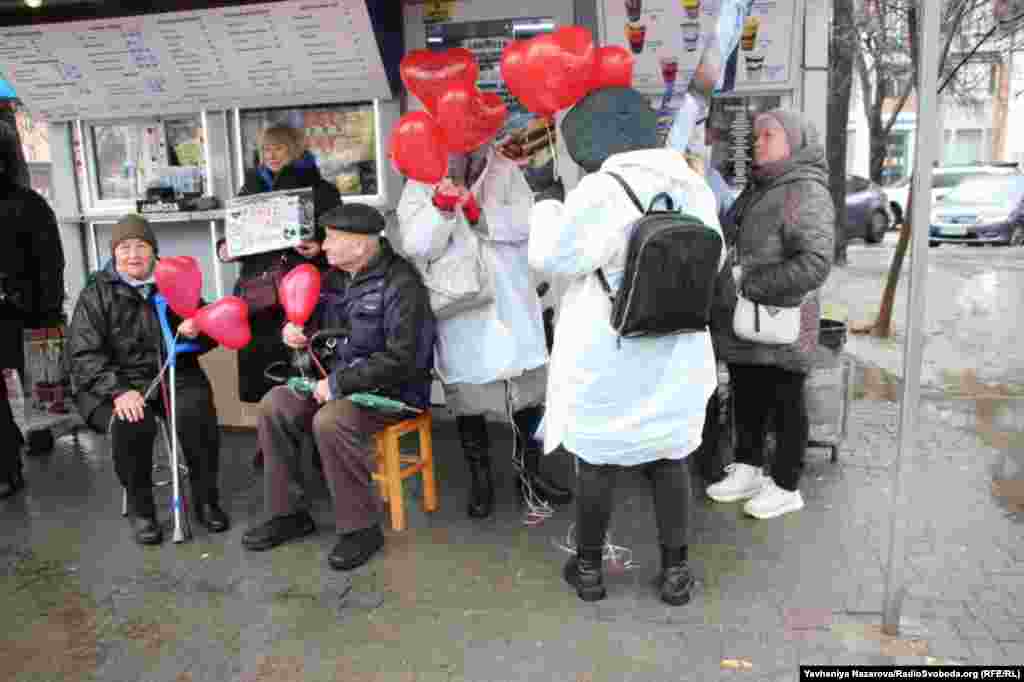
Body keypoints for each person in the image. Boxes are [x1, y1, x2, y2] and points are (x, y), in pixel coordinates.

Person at [529, 86, 723, 605]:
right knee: (671, 457)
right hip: (678, 347)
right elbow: (716, 260)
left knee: (598, 460)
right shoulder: (692, 184)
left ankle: (589, 570)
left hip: (611, 348)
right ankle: (676, 574)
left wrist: (546, 199)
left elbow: (553, 259)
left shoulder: (600, 190)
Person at [242, 203, 436, 571]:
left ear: (361, 245)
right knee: (275, 405)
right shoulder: (332, 280)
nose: (324, 246)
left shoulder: (402, 284)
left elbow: (404, 359)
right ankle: (288, 513)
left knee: (331, 420)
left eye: (332, 239)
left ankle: (361, 528)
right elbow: (317, 330)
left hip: (393, 392)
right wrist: (296, 333)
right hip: (334, 383)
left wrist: (338, 383)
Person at [395, 141, 571, 520]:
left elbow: (529, 221)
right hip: (462, 305)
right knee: (469, 399)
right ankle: (481, 482)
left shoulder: (506, 168)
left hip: (512, 296)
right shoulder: (421, 179)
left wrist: (480, 214)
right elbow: (416, 244)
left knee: (528, 395)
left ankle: (530, 476)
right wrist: (441, 206)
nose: (468, 145)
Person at [65, 215, 228, 544]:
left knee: (196, 414)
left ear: (154, 251)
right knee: (131, 423)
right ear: (114, 254)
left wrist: (199, 326)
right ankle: (142, 510)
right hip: (111, 384)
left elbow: (214, 330)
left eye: (141, 246)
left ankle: (206, 500)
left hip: (173, 373)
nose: (133, 254)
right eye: (124, 247)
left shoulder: (174, 282)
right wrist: (119, 391)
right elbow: (83, 355)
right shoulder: (96, 294)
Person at [705, 109, 834, 520]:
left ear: (793, 142)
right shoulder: (761, 187)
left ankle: (785, 485)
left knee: (786, 402)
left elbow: (814, 262)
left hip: (783, 320)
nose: (758, 142)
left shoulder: (804, 190)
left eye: (768, 135)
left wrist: (749, 283)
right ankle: (747, 469)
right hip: (748, 322)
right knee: (748, 396)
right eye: (756, 135)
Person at [225, 125, 341, 469]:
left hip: (304, 291)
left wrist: (319, 247)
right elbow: (240, 239)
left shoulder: (321, 190)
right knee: (265, 370)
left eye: (278, 147)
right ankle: (270, 440)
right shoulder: (250, 187)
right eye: (265, 148)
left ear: (294, 148)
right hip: (260, 295)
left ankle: (321, 442)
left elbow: (338, 236)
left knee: (309, 367)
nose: (271, 155)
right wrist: (228, 249)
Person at [0, 119, 65, 499]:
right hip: (28, 312)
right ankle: (15, 456)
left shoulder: (27, 205)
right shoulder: (29, 203)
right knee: (23, 387)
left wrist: (49, 314)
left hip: (21, 313)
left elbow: (49, 264)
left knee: (27, 386)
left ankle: (15, 459)